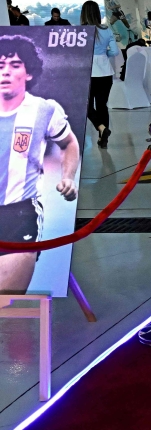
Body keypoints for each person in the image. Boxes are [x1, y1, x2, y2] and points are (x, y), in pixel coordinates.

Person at [0, 35, 80, 292]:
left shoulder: (44, 110)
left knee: (3, 303)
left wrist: (67, 176)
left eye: (14, 64)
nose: (6, 72)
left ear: (29, 73)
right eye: (0, 65)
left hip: (18, 215)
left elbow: (69, 144)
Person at [81, 0, 119, 148]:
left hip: (88, 72)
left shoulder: (81, 31)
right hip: (105, 72)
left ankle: (102, 128)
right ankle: (103, 139)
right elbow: (115, 51)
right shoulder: (107, 30)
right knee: (102, 105)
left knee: (86, 105)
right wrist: (103, 54)